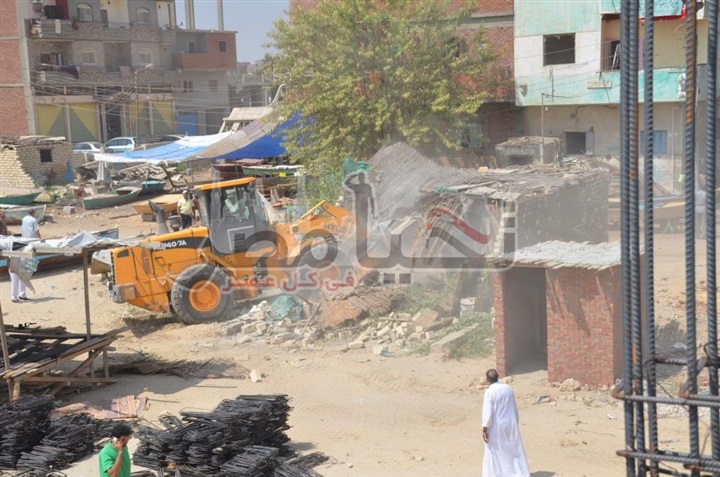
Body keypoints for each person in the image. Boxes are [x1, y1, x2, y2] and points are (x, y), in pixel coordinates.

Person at [482, 368, 529, 477]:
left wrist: (485, 428)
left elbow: (488, 413)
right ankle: (517, 472)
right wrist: (516, 420)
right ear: (498, 376)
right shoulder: (508, 388)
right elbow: (514, 406)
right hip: (510, 423)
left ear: (488, 379)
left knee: (495, 450)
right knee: (512, 449)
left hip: (497, 427)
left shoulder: (489, 392)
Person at [9, 210, 40, 303]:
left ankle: (22, 295)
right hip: (14, 267)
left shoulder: (24, 219)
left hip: (21, 265)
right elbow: (10, 258)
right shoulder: (13, 247)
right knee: (15, 281)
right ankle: (14, 297)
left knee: (23, 278)